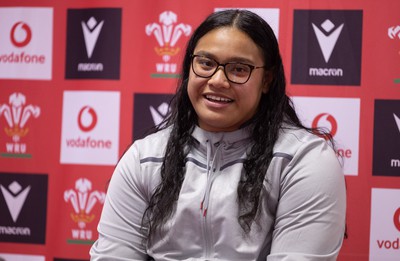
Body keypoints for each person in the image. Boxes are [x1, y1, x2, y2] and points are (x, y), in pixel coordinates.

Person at [90, 9, 346, 261]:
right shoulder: (145, 158)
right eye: (206, 63)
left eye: (238, 69)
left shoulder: (303, 159)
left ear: (266, 80)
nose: (218, 80)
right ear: (189, 67)